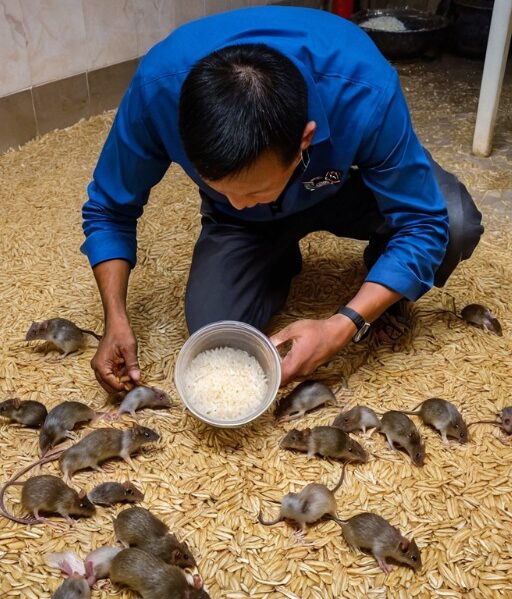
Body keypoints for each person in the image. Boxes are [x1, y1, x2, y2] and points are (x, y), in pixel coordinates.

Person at [81, 6, 483, 392]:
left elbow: (422, 221)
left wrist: (346, 323)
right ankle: (275, 257)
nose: (240, 201)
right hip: (243, 228)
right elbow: (109, 209)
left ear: (305, 140)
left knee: (454, 223)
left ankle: (382, 272)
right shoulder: (157, 92)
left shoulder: (363, 87)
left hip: (347, 185)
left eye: (254, 190)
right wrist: (115, 317)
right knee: (216, 332)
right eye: (218, 185)